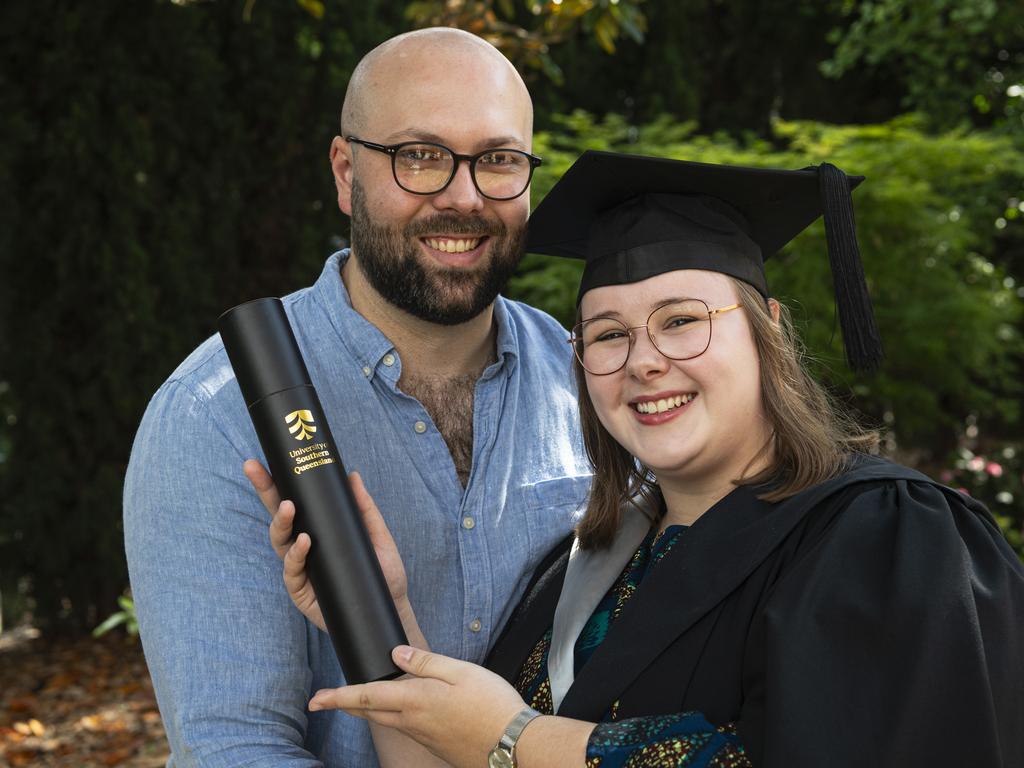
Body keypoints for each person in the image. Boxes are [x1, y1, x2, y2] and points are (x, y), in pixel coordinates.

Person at [259, 151, 1024, 768]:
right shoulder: (584, 566)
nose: (645, 361)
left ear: (771, 332)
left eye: (683, 320)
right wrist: (374, 615)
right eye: (610, 334)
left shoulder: (887, 538)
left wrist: (518, 741)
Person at [123, 28, 591, 767]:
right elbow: (238, 749)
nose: (464, 197)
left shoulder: (592, 380)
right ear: (346, 172)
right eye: (421, 157)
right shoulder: (215, 417)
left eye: (498, 160)